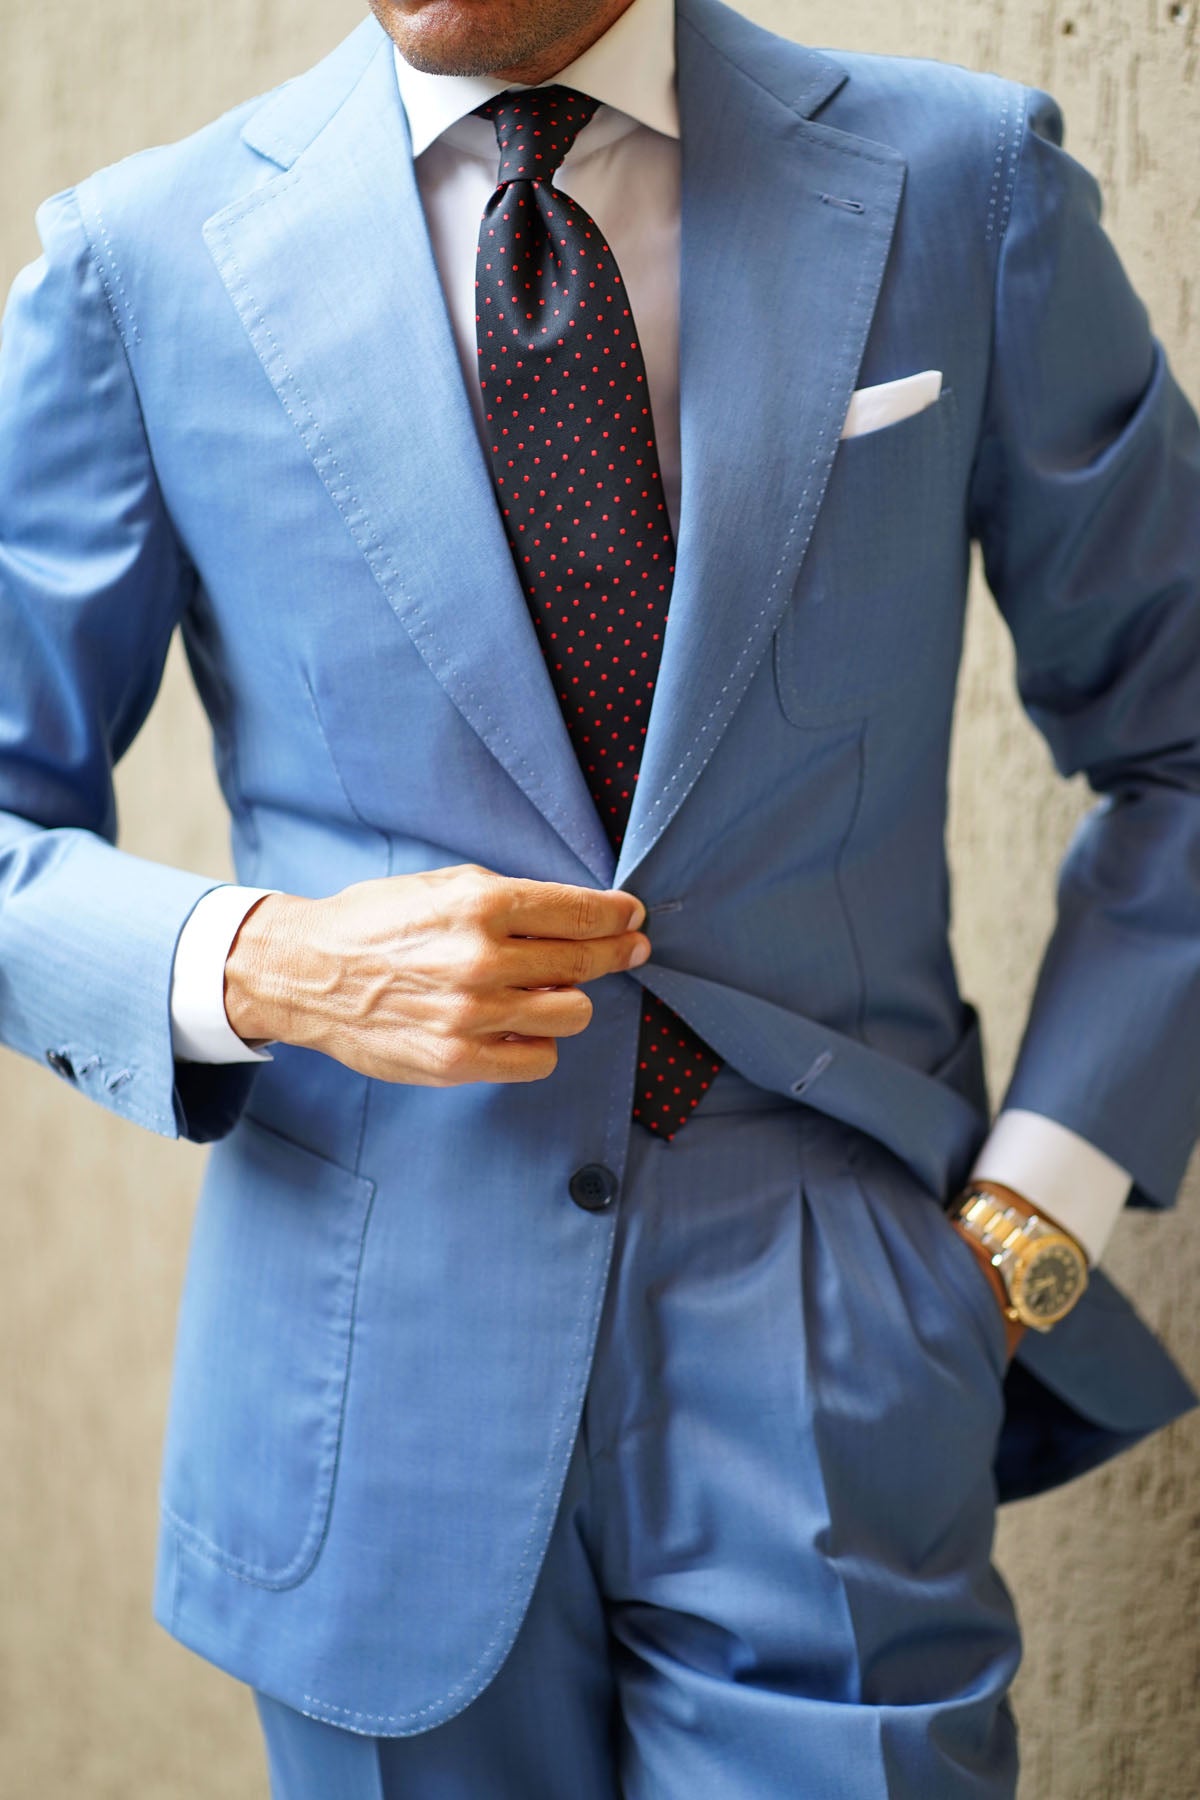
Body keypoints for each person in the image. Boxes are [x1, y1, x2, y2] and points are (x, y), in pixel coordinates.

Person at [1, 0, 1197, 1791]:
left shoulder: (961, 184)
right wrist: (263, 967)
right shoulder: (144, 261)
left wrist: (1032, 1217)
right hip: (363, 1389)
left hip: (839, 1334)